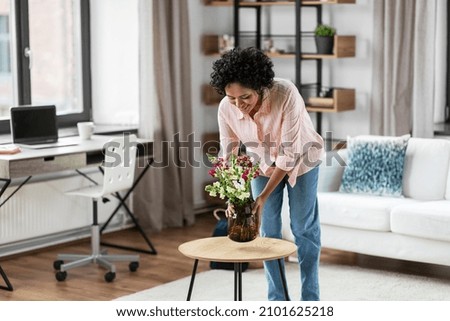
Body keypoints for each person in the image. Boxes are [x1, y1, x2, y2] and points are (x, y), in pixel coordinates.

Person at [210, 47, 324, 301]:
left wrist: (260, 197)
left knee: (303, 228)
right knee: (267, 230)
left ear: (261, 86)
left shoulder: (285, 94)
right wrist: (233, 195)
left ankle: (310, 298)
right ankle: (277, 300)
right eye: (232, 99)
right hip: (260, 164)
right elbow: (228, 154)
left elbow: (288, 155)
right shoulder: (225, 109)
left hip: (301, 160)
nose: (239, 105)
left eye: (245, 97)